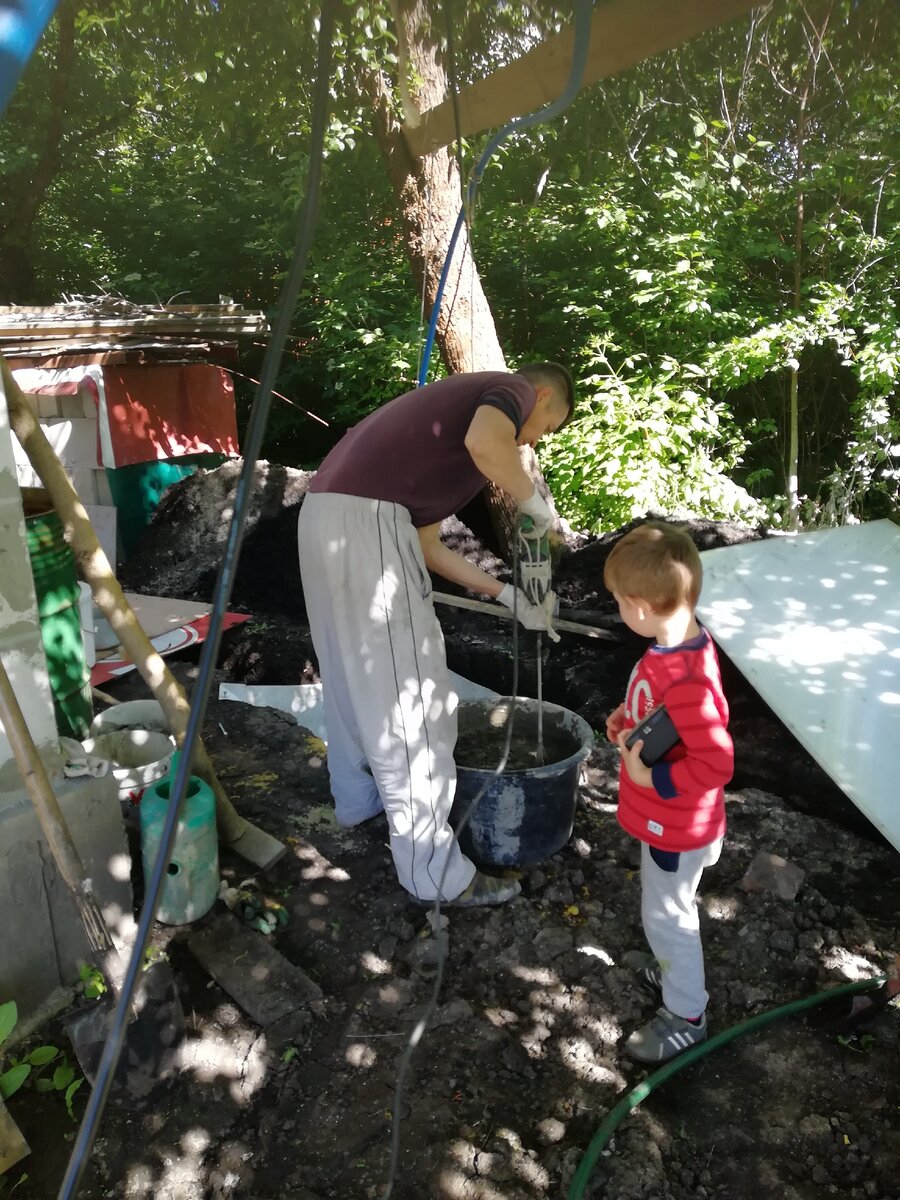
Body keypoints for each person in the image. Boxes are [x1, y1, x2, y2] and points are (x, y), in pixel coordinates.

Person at [298, 364, 575, 907]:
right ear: (540, 395)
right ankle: (435, 874)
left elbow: (428, 545)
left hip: (326, 520)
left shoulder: (446, 435)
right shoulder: (507, 393)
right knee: (412, 699)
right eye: (548, 425)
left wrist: (507, 596)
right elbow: (487, 443)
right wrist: (535, 504)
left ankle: (357, 803)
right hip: (367, 528)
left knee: (353, 675)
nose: (537, 439)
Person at [603, 522, 734, 1062]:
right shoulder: (677, 646)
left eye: (616, 601)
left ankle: (686, 1013)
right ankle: (670, 967)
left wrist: (648, 778)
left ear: (638, 607)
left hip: (675, 827)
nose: (617, 610)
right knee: (665, 909)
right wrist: (628, 719)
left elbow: (717, 760)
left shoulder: (687, 679)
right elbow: (663, 717)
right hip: (673, 822)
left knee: (669, 914)